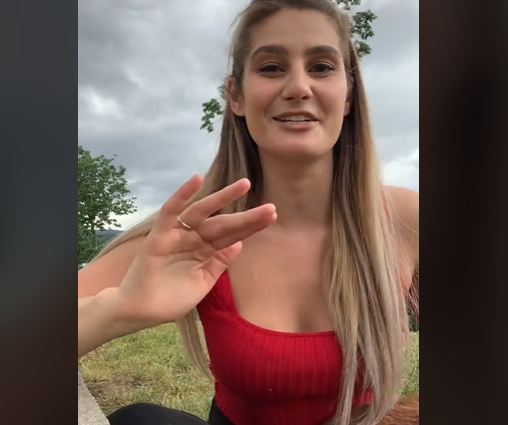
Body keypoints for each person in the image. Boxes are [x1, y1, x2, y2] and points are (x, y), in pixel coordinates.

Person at [78, 1, 419, 424]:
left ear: (349, 95)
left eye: (321, 67)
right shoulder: (195, 237)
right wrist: (121, 309)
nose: (299, 86)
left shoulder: (403, 218)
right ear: (236, 96)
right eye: (271, 67)